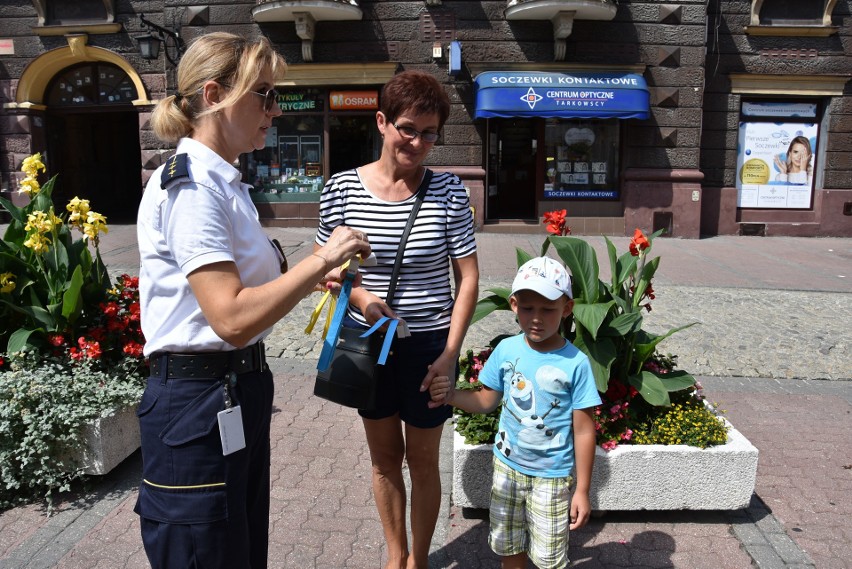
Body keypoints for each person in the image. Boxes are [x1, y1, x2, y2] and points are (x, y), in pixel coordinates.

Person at [134, 32, 371, 569]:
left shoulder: (226, 183)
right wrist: (323, 259)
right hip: (198, 397)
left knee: (236, 549)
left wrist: (322, 283)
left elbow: (248, 294)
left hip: (233, 390)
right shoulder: (193, 187)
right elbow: (231, 318)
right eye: (263, 94)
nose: (276, 107)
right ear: (215, 94)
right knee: (206, 553)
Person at [315, 70, 479, 569]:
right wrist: (362, 298)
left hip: (429, 345)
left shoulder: (449, 192)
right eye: (408, 128)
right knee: (384, 459)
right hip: (369, 341)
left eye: (430, 133)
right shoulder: (340, 189)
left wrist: (449, 356)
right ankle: (395, 556)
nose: (418, 142)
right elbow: (331, 271)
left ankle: (421, 559)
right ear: (383, 122)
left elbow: (468, 278)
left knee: (423, 460)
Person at [428, 257, 601, 569]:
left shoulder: (576, 363)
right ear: (513, 305)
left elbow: (584, 430)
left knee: (549, 557)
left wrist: (583, 489)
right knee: (509, 546)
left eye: (548, 309)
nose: (536, 318)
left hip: (552, 477)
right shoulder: (506, 350)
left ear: (567, 308)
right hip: (507, 470)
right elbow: (486, 401)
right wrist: (451, 396)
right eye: (527, 308)